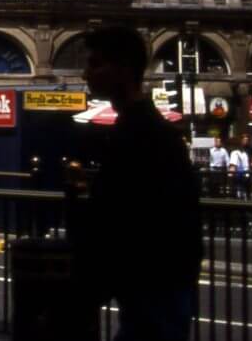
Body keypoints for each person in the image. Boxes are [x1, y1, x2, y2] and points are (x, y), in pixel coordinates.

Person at [75, 25, 200, 341]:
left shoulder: (141, 134)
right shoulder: (139, 127)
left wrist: (92, 285)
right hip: (156, 282)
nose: (86, 74)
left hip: (154, 282)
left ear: (125, 69)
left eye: (95, 64)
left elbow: (127, 217)